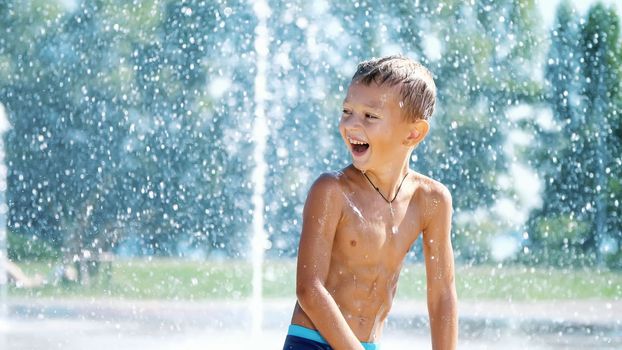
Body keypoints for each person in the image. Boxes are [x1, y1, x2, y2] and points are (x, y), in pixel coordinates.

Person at [282, 55, 458, 350]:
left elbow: (442, 294)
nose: (352, 124)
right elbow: (309, 289)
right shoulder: (332, 191)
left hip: (367, 344)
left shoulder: (431, 201)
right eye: (347, 111)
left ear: (413, 132)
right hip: (310, 342)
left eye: (369, 116)